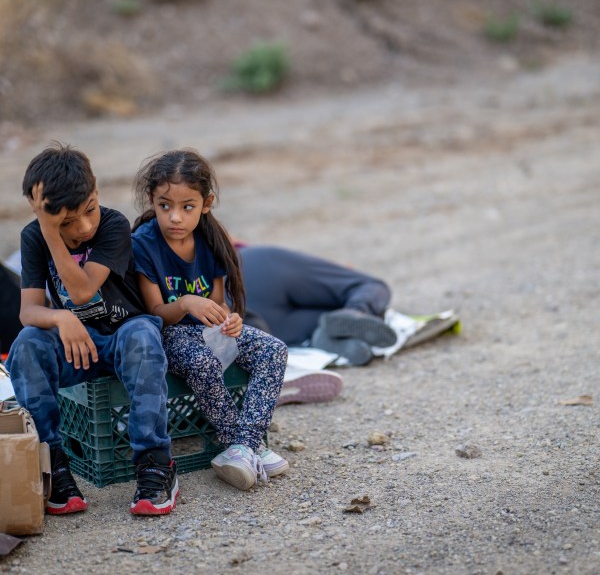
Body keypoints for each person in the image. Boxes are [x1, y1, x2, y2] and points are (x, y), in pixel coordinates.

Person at [6, 143, 178, 517]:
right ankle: (53, 464)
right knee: (28, 344)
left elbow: (83, 291)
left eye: (89, 210)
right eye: (66, 223)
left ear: (96, 191)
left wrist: (53, 231)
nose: (83, 227)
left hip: (124, 339)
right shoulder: (34, 236)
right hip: (77, 348)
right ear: (46, 217)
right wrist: (60, 317)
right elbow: (29, 311)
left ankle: (155, 462)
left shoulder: (113, 225)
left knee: (142, 334)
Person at [131, 148, 289, 491]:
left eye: (187, 207)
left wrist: (228, 319)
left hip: (207, 330)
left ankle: (242, 446)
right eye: (165, 206)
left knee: (272, 350)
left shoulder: (210, 240)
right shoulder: (143, 244)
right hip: (170, 336)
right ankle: (247, 445)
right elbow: (155, 313)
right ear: (151, 200)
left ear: (207, 202)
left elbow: (216, 301)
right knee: (202, 362)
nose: (175, 217)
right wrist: (187, 302)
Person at [238, 244, 459, 367]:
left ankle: (322, 336)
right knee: (369, 285)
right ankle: (355, 311)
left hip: (255, 320)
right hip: (252, 266)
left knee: (319, 321)